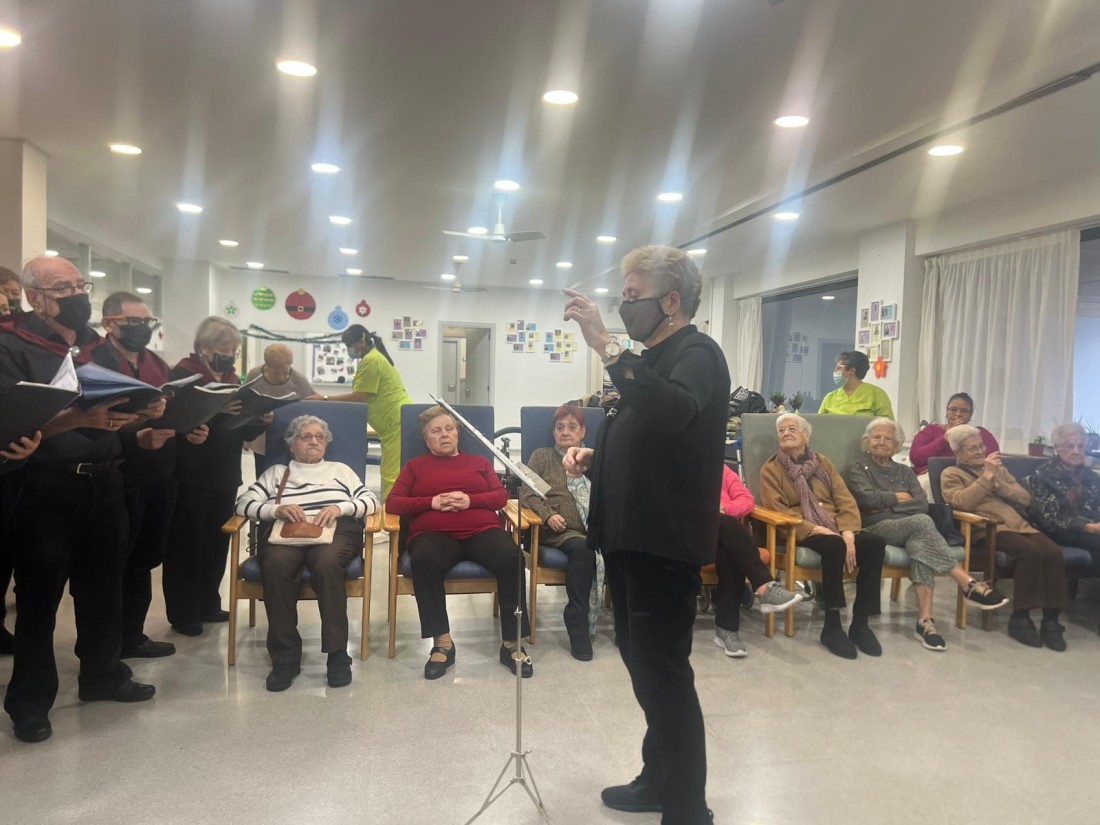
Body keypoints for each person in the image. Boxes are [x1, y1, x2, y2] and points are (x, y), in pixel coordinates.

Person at [562, 244, 728, 825]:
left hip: (663, 541)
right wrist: (596, 455)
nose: (623, 306)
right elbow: (647, 431)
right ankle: (658, 779)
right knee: (646, 669)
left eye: (633, 297)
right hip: (631, 537)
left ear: (672, 301)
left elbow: (674, 413)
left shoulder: (697, 352)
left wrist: (606, 345)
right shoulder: (655, 357)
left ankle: (688, 809)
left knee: (664, 677)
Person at [0, 257, 155, 744]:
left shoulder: (95, 346)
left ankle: (102, 674)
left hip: (106, 480)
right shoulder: (10, 345)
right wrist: (75, 421)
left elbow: (109, 409)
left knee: (103, 587)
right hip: (46, 486)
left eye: (78, 284)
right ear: (35, 297)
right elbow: (13, 424)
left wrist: (140, 414)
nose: (77, 295)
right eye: (63, 288)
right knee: (39, 598)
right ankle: (29, 701)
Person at [91, 291, 210, 659]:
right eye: (134, 322)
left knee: (143, 561)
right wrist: (136, 436)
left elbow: (166, 413)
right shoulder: (93, 361)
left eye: (147, 322)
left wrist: (189, 430)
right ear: (109, 323)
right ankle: (107, 649)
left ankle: (132, 636)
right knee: (113, 565)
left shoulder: (156, 363)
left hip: (160, 474)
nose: (142, 328)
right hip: (117, 475)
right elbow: (90, 421)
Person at [385, 406, 532, 680]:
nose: (444, 434)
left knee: (512, 557)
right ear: (426, 439)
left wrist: (470, 500)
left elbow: (500, 496)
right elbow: (393, 503)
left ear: (457, 434)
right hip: (434, 534)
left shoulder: (479, 463)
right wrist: (430, 502)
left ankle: (512, 643)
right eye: (436, 431)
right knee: (424, 560)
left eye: (449, 429)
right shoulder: (414, 467)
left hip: (482, 530)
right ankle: (442, 643)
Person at [235, 415, 377, 691]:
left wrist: (340, 508)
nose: (314, 441)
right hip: (285, 533)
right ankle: (285, 659)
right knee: (276, 566)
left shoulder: (340, 470)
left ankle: (337, 655)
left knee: (327, 565)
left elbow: (370, 501)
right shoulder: (277, 473)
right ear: (292, 444)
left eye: (319, 437)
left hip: (334, 531)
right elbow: (243, 503)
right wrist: (275, 510)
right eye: (306, 436)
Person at [843, 418, 1007, 651]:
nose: (881, 442)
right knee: (922, 522)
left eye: (888, 439)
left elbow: (920, 503)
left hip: (912, 528)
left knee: (920, 543)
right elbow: (867, 500)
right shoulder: (857, 468)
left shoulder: (905, 471)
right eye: (876, 437)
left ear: (897, 444)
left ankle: (925, 622)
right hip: (875, 528)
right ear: (867, 441)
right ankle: (966, 582)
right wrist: (899, 497)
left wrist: (887, 504)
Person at [164, 317, 269, 636]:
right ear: (204, 348)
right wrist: (217, 410)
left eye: (234, 350)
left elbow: (242, 432)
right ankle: (184, 612)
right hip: (190, 472)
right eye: (224, 349)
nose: (230, 355)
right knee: (186, 544)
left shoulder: (234, 379)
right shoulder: (184, 374)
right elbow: (174, 421)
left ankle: (208, 603)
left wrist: (258, 417)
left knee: (216, 542)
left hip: (225, 472)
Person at [759, 413, 887, 660]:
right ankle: (832, 625)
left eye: (792, 428)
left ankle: (860, 624)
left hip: (835, 525)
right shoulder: (771, 469)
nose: (785, 433)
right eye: (781, 430)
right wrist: (816, 528)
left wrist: (848, 531)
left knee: (874, 544)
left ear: (806, 435)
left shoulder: (823, 463)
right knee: (833, 545)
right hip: (799, 529)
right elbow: (776, 509)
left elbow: (844, 499)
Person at [941, 425, 1068, 650]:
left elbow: (1025, 498)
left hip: (1019, 525)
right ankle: (1021, 618)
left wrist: (998, 484)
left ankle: (1051, 620)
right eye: (972, 448)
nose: (980, 451)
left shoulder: (998, 468)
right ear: (958, 452)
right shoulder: (951, 474)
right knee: (1030, 552)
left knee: (1054, 552)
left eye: (981, 446)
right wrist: (985, 479)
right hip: (987, 528)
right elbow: (960, 503)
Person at [518, 404, 598, 661]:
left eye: (572, 427)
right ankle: (578, 626)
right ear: (553, 432)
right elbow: (527, 493)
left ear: (583, 431)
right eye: (559, 427)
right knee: (583, 551)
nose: (565, 432)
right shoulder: (542, 456)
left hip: (596, 528)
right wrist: (548, 515)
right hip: (559, 532)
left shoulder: (592, 460)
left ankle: (629, 625)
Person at [712, 464, 802, 658]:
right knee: (729, 525)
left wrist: (725, 508)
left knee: (731, 551)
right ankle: (765, 586)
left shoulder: (721, 469)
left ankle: (726, 629)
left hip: (723, 538)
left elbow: (747, 500)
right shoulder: (679, 467)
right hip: (690, 536)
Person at [329, 324, 411, 499]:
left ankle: (391, 511)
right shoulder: (373, 357)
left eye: (350, 345)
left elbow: (359, 396)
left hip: (395, 420)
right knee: (392, 469)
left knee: (391, 473)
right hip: (394, 419)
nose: (349, 350)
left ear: (362, 341)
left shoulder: (372, 360)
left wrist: (324, 399)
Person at [1028, 422, 1100, 566]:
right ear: (1057, 448)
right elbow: (1050, 519)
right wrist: (1088, 527)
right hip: (1058, 532)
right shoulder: (1043, 476)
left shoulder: (1091, 477)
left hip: (1092, 529)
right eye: (1070, 446)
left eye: (1080, 446)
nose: (1076, 451)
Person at [243, 343, 320, 476]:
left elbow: (311, 405)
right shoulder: (255, 375)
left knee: (287, 476)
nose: (282, 376)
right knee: (263, 475)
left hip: (287, 437)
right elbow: (246, 404)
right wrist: (246, 439)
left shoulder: (299, 379)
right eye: (277, 373)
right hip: (261, 437)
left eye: (285, 372)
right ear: (267, 366)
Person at [909, 392, 1000, 483]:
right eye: (953, 409)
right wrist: (945, 438)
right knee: (926, 482)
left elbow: (993, 459)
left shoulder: (980, 433)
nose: (958, 414)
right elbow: (916, 458)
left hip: (969, 476)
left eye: (964, 411)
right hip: (932, 475)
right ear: (947, 412)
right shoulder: (932, 430)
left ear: (970, 414)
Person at [816, 351, 894, 418]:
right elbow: (819, 424)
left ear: (852, 371)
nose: (835, 372)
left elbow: (888, 425)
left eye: (839, 368)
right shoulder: (830, 397)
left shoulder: (877, 395)